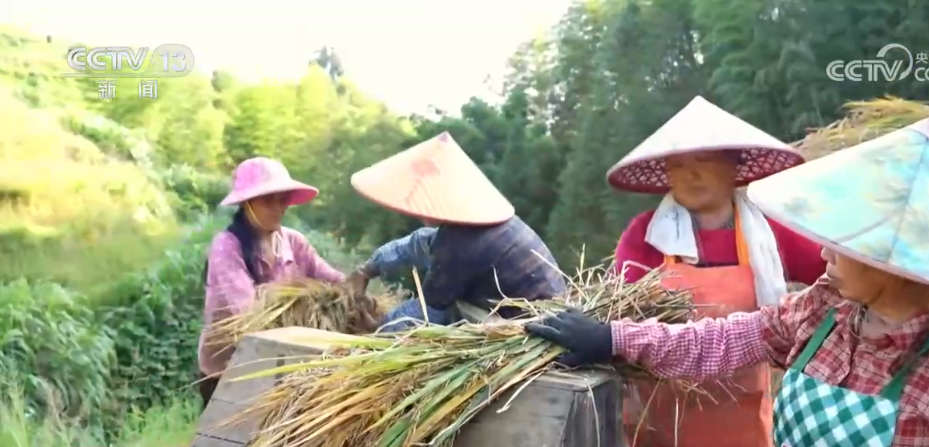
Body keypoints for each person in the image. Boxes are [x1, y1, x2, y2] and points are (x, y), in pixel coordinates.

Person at [527, 117, 929, 446]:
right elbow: (719, 340)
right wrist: (612, 336)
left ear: (896, 257)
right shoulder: (826, 310)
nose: (823, 251)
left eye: (843, 241)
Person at [604, 95, 826, 447]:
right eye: (677, 165)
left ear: (733, 166)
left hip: (740, 419)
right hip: (660, 414)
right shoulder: (645, 235)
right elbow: (619, 317)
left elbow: (837, 278)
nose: (690, 174)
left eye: (703, 160)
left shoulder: (770, 232)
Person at [345, 132, 565, 331]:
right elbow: (421, 244)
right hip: (535, 306)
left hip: (530, 324)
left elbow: (427, 311)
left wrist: (379, 329)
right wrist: (367, 270)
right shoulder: (474, 221)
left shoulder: (461, 244)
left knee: (446, 310)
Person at [197, 157, 350, 409]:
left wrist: (352, 290)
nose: (278, 208)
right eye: (268, 201)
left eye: (282, 200)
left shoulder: (294, 242)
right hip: (228, 367)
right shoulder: (227, 247)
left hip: (279, 363)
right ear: (247, 203)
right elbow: (250, 315)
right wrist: (305, 311)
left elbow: (332, 279)